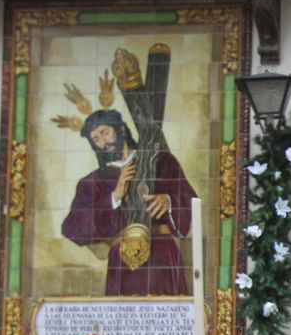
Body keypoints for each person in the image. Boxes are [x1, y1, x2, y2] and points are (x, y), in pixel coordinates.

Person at [60, 108, 196, 296]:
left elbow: (190, 200)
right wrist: (114, 197)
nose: (102, 143)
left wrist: (168, 201)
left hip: (162, 256)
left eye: (105, 132)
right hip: (122, 262)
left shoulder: (162, 161)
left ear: (121, 128)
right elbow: (72, 227)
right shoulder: (93, 182)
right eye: (96, 139)